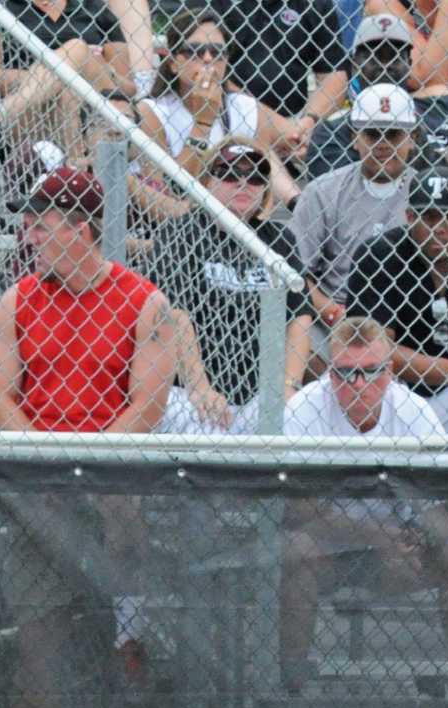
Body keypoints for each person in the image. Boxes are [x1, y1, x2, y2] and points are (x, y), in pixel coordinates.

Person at [0, 167, 172, 708]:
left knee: (119, 496)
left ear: (81, 227)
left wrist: (88, 463)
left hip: (109, 473)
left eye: (43, 221)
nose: (30, 233)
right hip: (41, 483)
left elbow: (147, 405)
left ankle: (129, 626)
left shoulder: (144, 301)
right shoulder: (19, 298)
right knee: (39, 651)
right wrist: (49, 459)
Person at [278, 315, 448, 708]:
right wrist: (375, 536)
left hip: (400, 551)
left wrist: (417, 539)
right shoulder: (305, 408)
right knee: (296, 551)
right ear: (328, 371)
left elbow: (441, 506)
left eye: (369, 372)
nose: (356, 386)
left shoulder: (411, 410)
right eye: (343, 373)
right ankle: (289, 697)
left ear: (389, 373)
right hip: (329, 548)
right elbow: (299, 510)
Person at [147, 143, 311, 433]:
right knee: (200, 425)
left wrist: (289, 386)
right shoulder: (181, 234)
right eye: (231, 173)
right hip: (191, 389)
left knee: (296, 418)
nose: (244, 183)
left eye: (257, 176)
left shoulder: (280, 239)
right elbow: (175, 314)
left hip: (261, 392)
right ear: (208, 180)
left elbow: (300, 318)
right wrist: (200, 389)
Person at [343, 166, 448, 432]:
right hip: (396, 392)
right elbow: (373, 348)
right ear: (409, 216)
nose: (438, 227)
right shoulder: (379, 254)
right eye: (427, 216)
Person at [131, 10, 300, 218]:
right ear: (173, 63)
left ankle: (300, 205)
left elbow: (290, 143)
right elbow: (172, 189)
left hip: (243, 219)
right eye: (195, 51)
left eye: (218, 52)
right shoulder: (152, 111)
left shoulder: (243, 106)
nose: (208, 58)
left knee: (262, 149)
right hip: (184, 226)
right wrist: (203, 121)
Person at [291, 83, 421, 335]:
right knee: (297, 336)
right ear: (354, 137)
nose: (383, 144)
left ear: (413, 138)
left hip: (410, 318)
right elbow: (295, 271)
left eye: (393, 133)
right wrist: (335, 314)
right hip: (336, 313)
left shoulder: (427, 193)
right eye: (372, 133)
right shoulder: (322, 191)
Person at [0, 0, 161, 159]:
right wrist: (63, 73)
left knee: (77, 50)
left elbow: (128, 89)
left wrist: (101, 67)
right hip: (33, 114)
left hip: (95, 105)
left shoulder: (94, 8)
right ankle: (77, 166)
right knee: (72, 69)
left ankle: (2, 112)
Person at [304, 14, 448, 179]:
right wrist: (442, 160)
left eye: (394, 56)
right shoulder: (332, 132)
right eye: (374, 56)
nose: (385, 66)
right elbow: (339, 191)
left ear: (409, 63)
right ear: (354, 64)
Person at [212, 0, 348, 129]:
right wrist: (267, 121)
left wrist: (308, 122)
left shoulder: (313, 4)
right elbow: (203, 69)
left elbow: (334, 75)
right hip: (224, 115)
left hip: (293, 121)